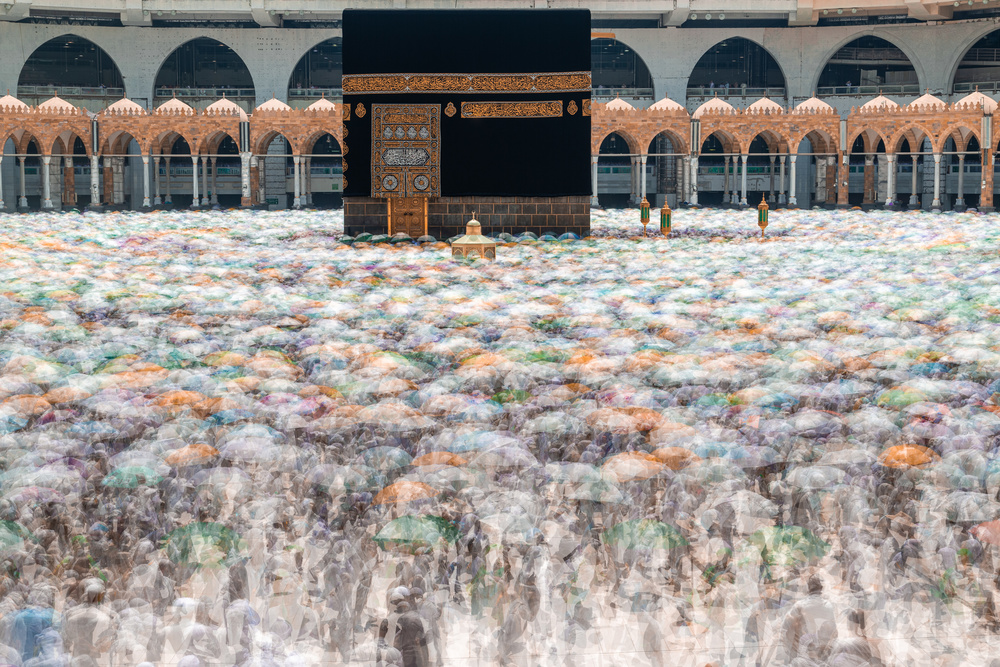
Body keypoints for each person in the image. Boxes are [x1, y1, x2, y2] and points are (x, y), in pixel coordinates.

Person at [781, 575, 838, 662]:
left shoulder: (800, 605)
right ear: (821, 588)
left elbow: (785, 627)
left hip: (805, 653)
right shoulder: (829, 606)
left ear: (807, 588)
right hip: (825, 653)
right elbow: (834, 631)